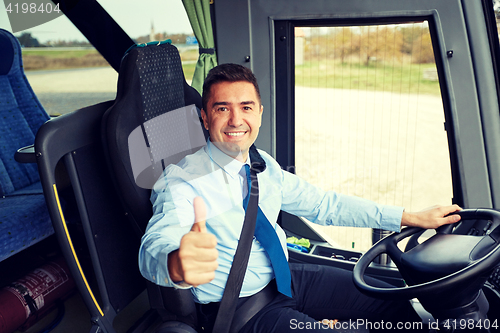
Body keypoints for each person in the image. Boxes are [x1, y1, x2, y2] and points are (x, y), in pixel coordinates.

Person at [138, 63, 462, 332]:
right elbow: (154, 245)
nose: (236, 120)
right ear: (205, 117)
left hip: (286, 279)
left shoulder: (262, 165)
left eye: (246, 107)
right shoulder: (182, 181)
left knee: (392, 302)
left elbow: (325, 205)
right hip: (240, 310)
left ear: (259, 114)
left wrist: (409, 217)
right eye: (222, 108)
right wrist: (175, 263)